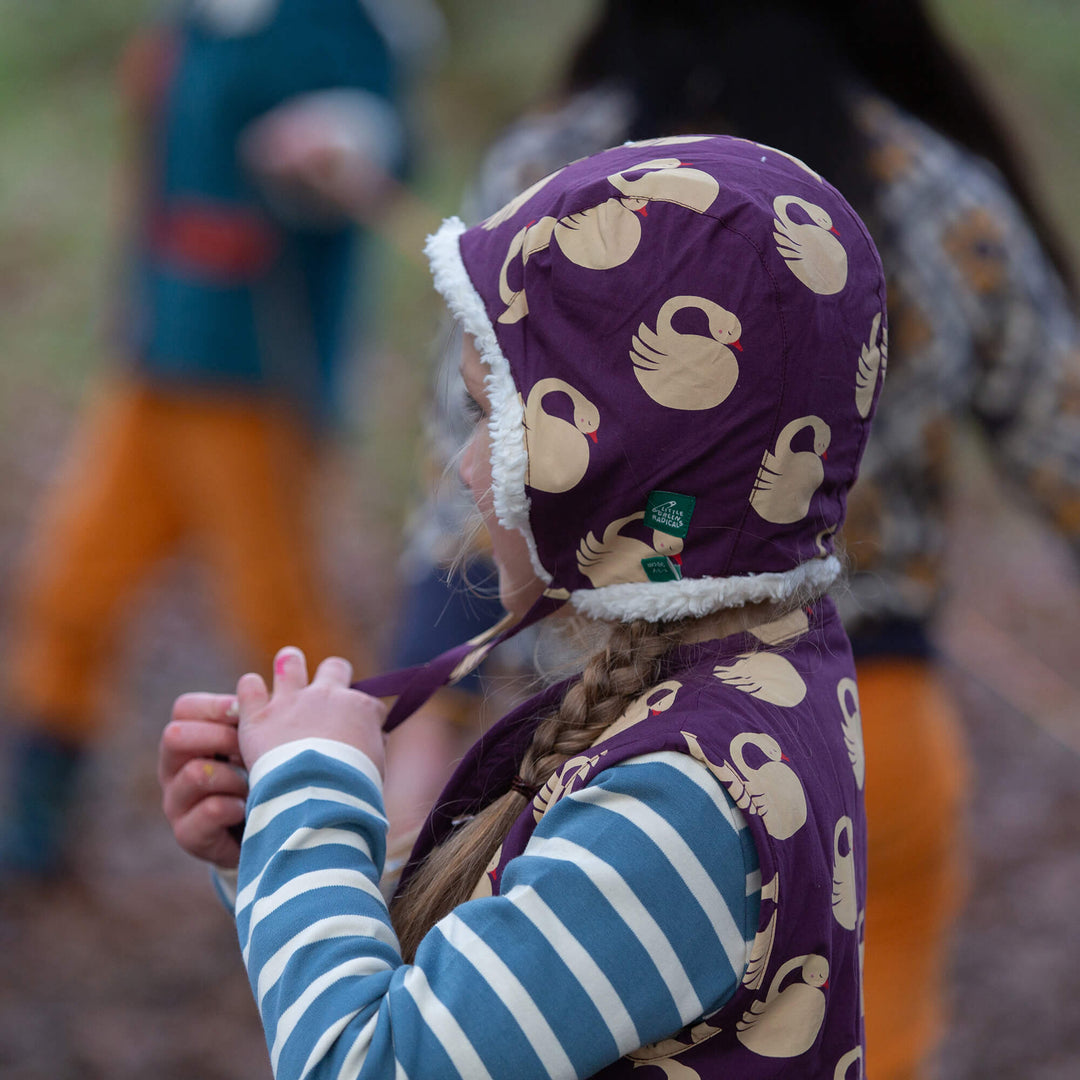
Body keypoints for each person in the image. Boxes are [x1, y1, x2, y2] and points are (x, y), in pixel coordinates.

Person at [392, 4, 1080, 1076]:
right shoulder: (936, 190)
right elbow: (1066, 445)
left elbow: (471, 496)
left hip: (585, 725)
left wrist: (420, 733)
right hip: (867, 733)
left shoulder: (550, 178)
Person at [159, 136, 888, 1077]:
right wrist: (274, 844)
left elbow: (368, 1064)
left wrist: (311, 790)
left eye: (493, 415)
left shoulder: (685, 796)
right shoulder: (767, 667)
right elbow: (499, 995)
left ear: (623, 451)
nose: (468, 471)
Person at [0, 0, 417, 878]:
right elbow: (155, 174)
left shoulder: (336, 24)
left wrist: (334, 143)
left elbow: (381, 141)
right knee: (71, 578)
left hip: (253, 378)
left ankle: (370, 822)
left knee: (281, 616)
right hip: (152, 364)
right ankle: (39, 808)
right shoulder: (191, 20)